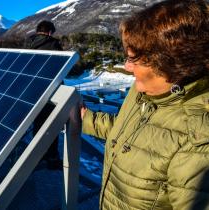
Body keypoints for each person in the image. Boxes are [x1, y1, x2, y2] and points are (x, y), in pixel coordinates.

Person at [80, 0, 209, 209]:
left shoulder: (199, 142)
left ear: (170, 63)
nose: (127, 67)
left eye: (133, 58)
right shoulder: (145, 90)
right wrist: (87, 118)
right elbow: (139, 135)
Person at [26, 20, 62, 170]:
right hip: (51, 91)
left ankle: (37, 155)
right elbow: (61, 66)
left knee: (38, 124)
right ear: (49, 32)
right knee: (52, 125)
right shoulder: (53, 44)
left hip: (33, 91)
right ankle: (52, 157)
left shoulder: (28, 45)